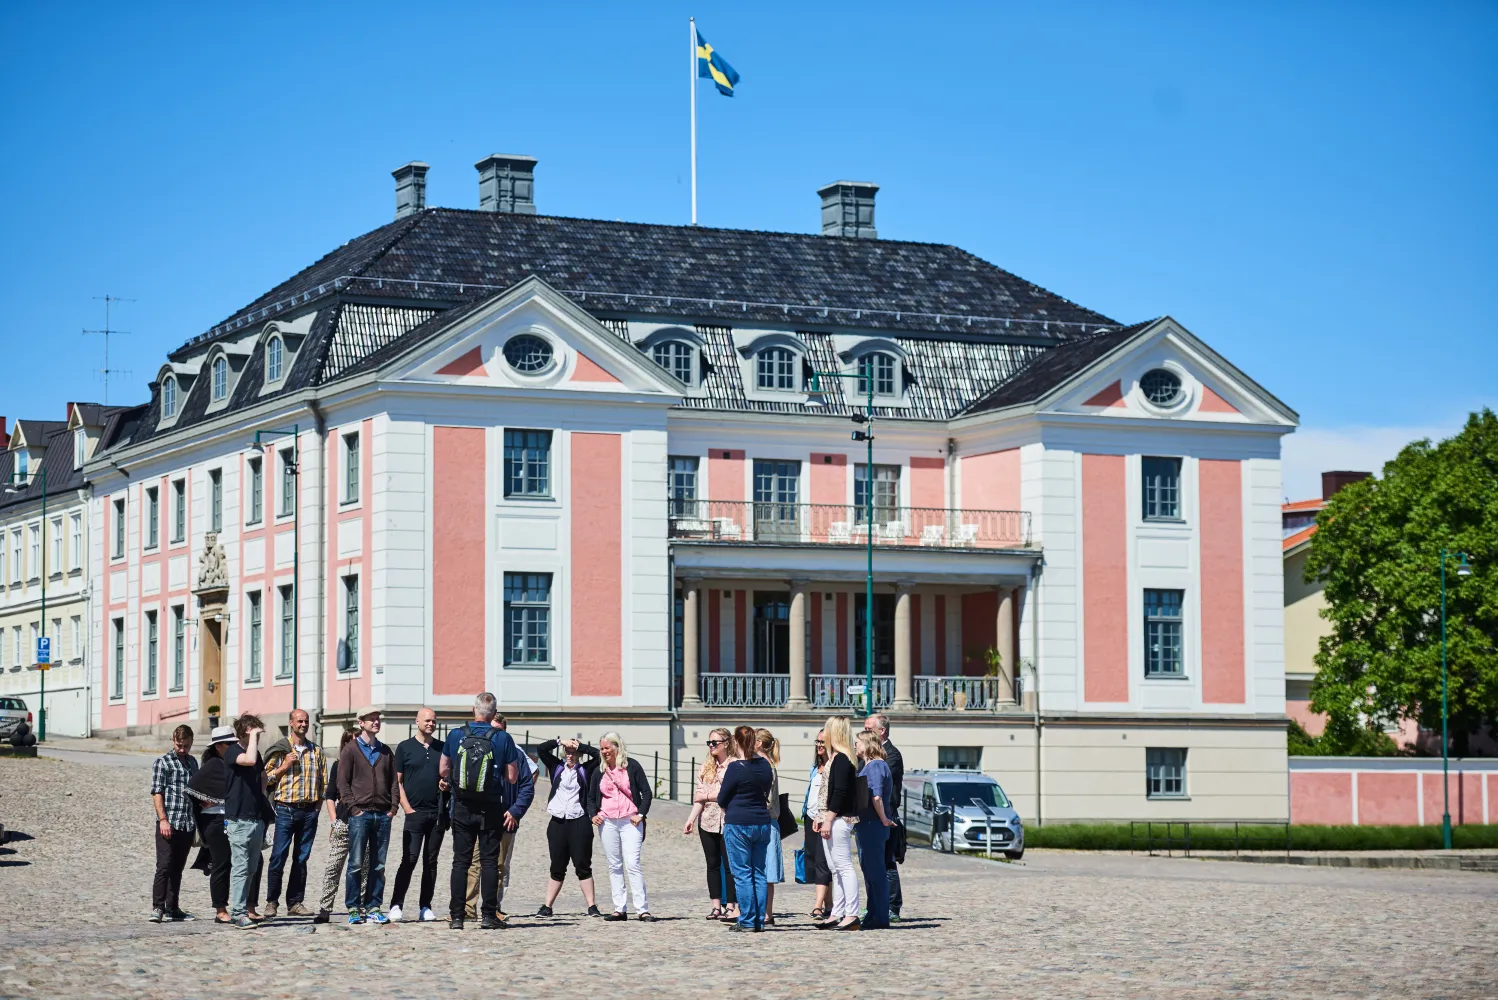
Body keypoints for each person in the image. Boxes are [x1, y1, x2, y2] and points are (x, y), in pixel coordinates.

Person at [441, 692, 522, 930]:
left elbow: (444, 769)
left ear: (472, 710)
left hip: (463, 806)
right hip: (491, 807)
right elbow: (512, 776)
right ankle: (488, 916)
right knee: (489, 862)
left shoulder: (456, 735)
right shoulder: (503, 738)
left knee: (460, 862)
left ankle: (457, 916)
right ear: (494, 714)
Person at [338, 706, 399, 925]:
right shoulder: (351, 750)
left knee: (378, 864)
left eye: (377, 719)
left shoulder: (385, 751)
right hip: (360, 815)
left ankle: (374, 906)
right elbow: (342, 782)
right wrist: (354, 808)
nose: (376, 722)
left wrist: (393, 807)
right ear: (361, 723)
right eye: (371, 719)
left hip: (383, 815)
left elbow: (393, 781)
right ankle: (353, 908)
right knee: (355, 863)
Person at [262, 708, 326, 918]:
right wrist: (284, 765)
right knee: (278, 856)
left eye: (306, 721)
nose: (303, 724)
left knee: (301, 858)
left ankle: (295, 902)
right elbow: (266, 778)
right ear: (291, 723)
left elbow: (323, 783)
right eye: (299, 721)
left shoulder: (316, 751)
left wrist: (317, 808)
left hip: (308, 812)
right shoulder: (281, 750)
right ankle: (272, 902)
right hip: (285, 810)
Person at [586, 731, 654, 922]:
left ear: (617, 747)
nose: (604, 752)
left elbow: (646, 793)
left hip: (630, 820)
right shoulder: (599, 770)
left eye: (607, 748)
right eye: (602, 749)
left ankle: (642, 909)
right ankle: (619, 908)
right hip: (607, 821)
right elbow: (590, 798)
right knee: (614, 865)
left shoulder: (632, 766)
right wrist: (593, 815)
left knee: (632, 863)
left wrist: (641, 814)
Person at [717, 725, 776, 932]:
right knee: (759, 872)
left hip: (739, 822)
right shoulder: (765, 766)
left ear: (736, 742)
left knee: (742, 873)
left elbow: (722, 797)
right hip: (762, 822)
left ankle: (748, 920)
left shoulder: (736, 767)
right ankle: (759, 919)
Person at [390, 707, 445, 922]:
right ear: (417, 722)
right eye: (427, 720)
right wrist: (406, 808)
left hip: (437, 813)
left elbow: (447, 774)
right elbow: (397, 781)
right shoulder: (405, 748)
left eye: (433, 721)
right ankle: (396, 904)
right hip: (414, 813)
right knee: (409, 859)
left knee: (431, 861)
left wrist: (445, 785)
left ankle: (425, 906)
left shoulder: (442, 747)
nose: (430, 724)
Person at [536, 736, 601, 917]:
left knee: (582, 864)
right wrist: (559, 742)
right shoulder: (557, 767)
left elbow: (598, 756)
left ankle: (592, 906)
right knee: (557, 864)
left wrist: (581, 745)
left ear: (579, 754)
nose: (570, 756)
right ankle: (547, 906)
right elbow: (541, 750)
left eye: (573, 752)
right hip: (557, 821)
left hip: (579, 820)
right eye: (568, 752)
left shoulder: (585, 770)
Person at [682, 727, 738, 922]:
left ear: (727, 743)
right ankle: (716, 905)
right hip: (707, 821)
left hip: (729, 820)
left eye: (715, 742)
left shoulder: (735, 765)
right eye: (709, 743)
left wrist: (708, 796)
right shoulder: (705, 766)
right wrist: (690, 819)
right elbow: (698, 797)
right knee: (712, 864)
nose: (712, 746)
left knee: (730, 865)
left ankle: (731, 905)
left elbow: (728, 795)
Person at [187, 726, 242, 923]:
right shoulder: (212, 765)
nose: (234, 747)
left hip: (233, 819)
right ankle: (220, 908)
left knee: (241, 863)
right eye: (230, 744)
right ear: (219, 746)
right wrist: (205, 800)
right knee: (222, 862)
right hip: (214, 821)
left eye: (235, 743)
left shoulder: (233, 764)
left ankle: (242, 906)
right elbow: (192, 788)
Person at [225, 714, 274, 929]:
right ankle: (237, 913)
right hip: (238, 820)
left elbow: (262, 774)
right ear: (246, 731)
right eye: (255, 732)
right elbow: (250, 760)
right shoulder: (232, 751)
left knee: (252, 868)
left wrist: (259, 795)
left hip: (255, 819)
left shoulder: (257, 753)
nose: (259, 737)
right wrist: (252, 737)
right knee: (240, 867)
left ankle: (243, 908)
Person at [814, 715, 861, 931]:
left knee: (843, 866)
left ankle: (852, 913)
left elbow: (840, 792)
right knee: (835, 868)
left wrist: (828, 818)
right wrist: (820, 816)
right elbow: (826, 791)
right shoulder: (835, 758)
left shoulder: (842, 758)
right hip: (830, 816)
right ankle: (837, 912)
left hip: (840, 818)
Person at [149, 724, 199, 922]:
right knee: (164, 866)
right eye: (179, 745)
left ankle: (173, 907)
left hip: (187, 822)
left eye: (186, 746)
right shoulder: (163, 763)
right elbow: (157, 792)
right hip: (169, 821)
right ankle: (157, 907)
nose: (182, 749)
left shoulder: (193, 763)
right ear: (173, 741)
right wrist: (163, 820)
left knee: (177, 867)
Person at [313, 729, 363, 924]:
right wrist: (334, 821)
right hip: (343, 821)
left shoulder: (367, 765)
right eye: (352, 742)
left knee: (362, 868)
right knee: (333, 867)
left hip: (363, 822)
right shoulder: (339, 765)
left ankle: (358, 907)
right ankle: (325, 908)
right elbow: (330, 795)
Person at [864, 712, 904, 919]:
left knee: (888, 862)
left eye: (869, 729)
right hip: (872, 816)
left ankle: (892, 905)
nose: (865, 733)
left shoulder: (891, 755)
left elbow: (878, 785)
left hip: (887, 815)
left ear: (882, 731)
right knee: (873, 862)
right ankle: (876, 903)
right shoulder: (870, 756)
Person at [854, 730, 895, 930]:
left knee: (876, 873)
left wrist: (884, 818)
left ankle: (879, 916)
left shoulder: (876, 766)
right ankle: (873, 913)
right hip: (866, 824)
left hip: (873, 825)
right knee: (870, 872)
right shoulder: (870, 765)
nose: (855, 746)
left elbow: (876, 797)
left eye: (858, 743)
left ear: (868, 744)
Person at [755, 728, 785, 925]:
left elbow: (767, 799)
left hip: (766, 821)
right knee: (764, 871)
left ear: (758, 744)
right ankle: (765, 912)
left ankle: (767, 913)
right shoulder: (765, 764)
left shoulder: (765, 766)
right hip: (766, 820)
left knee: (766, 871)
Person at [802, 730, 833, 921]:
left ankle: (818, 906)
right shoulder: (816, 767)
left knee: (823, 863)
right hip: (810, 818)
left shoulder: (833, 766)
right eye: (817, 741)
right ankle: (830, 904)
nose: (819, 745)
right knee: (815, 861)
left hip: (824, 820)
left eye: (823, 742)